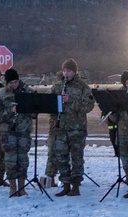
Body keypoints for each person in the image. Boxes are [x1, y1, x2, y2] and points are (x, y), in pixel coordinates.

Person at [51, 59, 95, 197]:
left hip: (77, 128)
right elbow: (49, 104)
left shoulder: (82, 87)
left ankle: (76, 186)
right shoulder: (58, 86)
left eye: (68, 71)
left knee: (76, 158)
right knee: (61, 157)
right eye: (64, 70)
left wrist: (70, 101)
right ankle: (65, 185)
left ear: (74, 72)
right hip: (61, 127)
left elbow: (88, 106)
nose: (66, 73)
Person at [0, 69, 35, 197]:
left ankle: (22, 187)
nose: (13, 85)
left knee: (23, 160)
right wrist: (10, 111)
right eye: (11, 83)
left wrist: (27, 108)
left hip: (23, 131)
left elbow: (35, 111)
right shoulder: (0, 94)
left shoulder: (28, 92)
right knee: (10, 160)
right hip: (7, 132)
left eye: (15, 82)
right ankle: (13, 187)